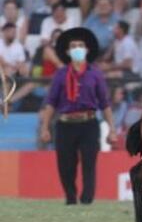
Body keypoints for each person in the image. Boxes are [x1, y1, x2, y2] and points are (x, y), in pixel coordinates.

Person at [39, 27, 116, 205]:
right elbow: (51, 102)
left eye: (80, 45)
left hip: (89, 123)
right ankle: (71, 197)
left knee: (89, 162)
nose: (77, 49)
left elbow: (104, 103)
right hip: (65, 124)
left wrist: (112, 129)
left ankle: (87, 199)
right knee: (66, 165)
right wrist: (45, 127)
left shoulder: (95, 74)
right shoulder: (60, 75)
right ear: (67, 51)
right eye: (73, 46)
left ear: (87, 49)